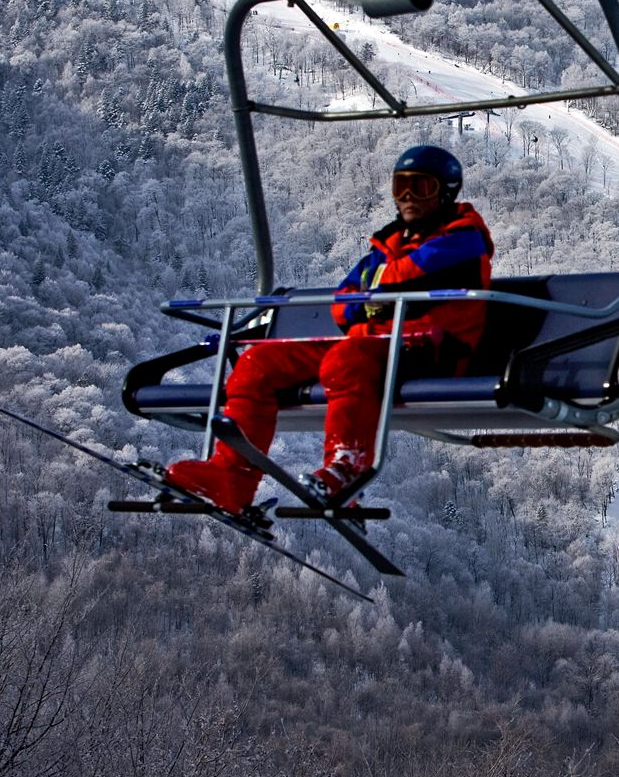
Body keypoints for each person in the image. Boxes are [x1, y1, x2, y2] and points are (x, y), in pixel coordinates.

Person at [166, 144, 493, 513]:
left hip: (431, 350)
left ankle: (347, 470)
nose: (406, 197)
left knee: (346, 360)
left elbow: (400, 282)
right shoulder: (386, 246)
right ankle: (232, 477)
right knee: (257, 364)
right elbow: (345, 303)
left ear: (446, 192)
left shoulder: (463, 240)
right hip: (369, 344)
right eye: (400, 185)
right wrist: (372, 298)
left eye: (420, 187)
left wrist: (374, 294)